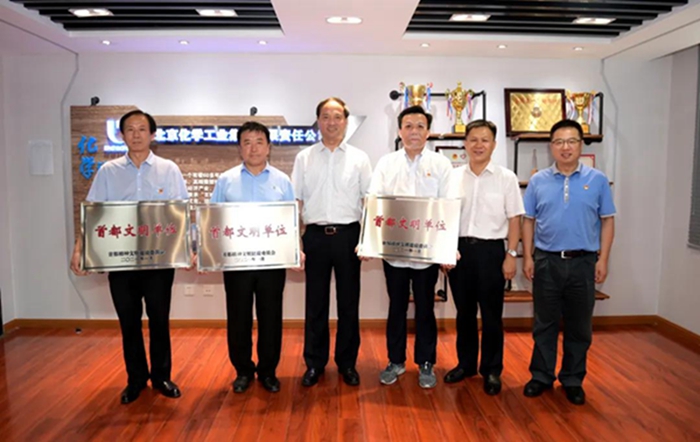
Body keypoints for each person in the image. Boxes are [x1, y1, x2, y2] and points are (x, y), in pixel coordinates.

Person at [70, 109, 188, 404]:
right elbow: (93, 213)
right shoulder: (108, 172)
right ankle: (136, 379)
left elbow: (181, 213)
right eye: (130, 130)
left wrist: (190, 248)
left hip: (158, 260)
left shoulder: (169, 169)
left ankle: (162, 377)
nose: (136, 135)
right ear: (121, 135)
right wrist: (79, 248)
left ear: (152, 135)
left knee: (159, 319)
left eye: (142, 129)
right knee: (129, 321)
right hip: (121, 260)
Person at [522, 119, 615, 406]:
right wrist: (528, 256)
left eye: (572, 141)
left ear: (581, 144)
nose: (566, 147)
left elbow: (607, 221)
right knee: (544, 323)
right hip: (546, 261)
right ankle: (541, 376)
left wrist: (603, 259)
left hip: (583, 263)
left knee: (579, 326)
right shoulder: (538, 181)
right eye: (559, 142)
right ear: (551, 146)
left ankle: (573, 379)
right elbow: (528, 220)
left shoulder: (597, 180)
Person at [368, 105, 452, 389]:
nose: (414, 131)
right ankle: (395, 361)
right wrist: (369, 242)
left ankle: (426, 362)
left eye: (419, 126)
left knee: (426, 307)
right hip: (394, 253)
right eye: (408, 126)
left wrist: (447, 248)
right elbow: (374, 201)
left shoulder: (441, 165)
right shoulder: (386, 163)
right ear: (399, 130)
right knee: (397, 307)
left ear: (428, 131)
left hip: (427, 254)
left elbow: (448, 207)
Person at [210, 121, 297, 393]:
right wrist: (205, 252)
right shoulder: (226, 180)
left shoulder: (282, 181)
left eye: (259, 142)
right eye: (247, 142)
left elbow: (292, 222)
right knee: (238, 318)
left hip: (272, 262)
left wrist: (296, 250)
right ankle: (243, 371)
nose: (253, 148)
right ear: (240, 148)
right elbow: (213, 220)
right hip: (237, 263)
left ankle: (268, 371)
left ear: (268, 147)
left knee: (271, 317)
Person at [291, 97, 372, 387]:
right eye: (326, 116)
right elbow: (296, 202)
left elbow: (369, 202)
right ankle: (314, 363)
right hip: (314, 236)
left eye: (337, 116)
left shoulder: (360, 158)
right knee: (315, 304)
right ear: (318, 121)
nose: (332, 122)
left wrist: (368, 240)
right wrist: (295, 243)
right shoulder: (304, 158)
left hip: (349, 236)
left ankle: (347, 363)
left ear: (346, 122)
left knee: (349, 303)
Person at [445, 120, 524, 395]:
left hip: (492, 252)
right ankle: (466, 364)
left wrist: (511, 254)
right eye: (473, 140)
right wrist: (444, 250)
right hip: (459, 252)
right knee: (464, 313)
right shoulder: (452, 177)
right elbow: (444, 216)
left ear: (494, 144)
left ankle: (491, 370)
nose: (478, 145)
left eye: (485, 140)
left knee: (492, 316)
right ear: (464, 144)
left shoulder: (506, 178)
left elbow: (515, 219)